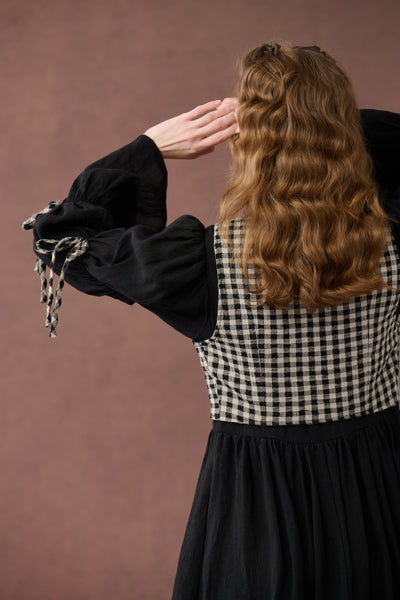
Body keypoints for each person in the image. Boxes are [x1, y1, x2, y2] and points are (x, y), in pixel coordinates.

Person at [22, 41, 400, 599]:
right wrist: (316, 114)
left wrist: (148, 147)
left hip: (256, 508)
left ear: (247, 134)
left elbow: (60, 234)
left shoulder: (199, 263)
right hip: (378, 490)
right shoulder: (390, 238)